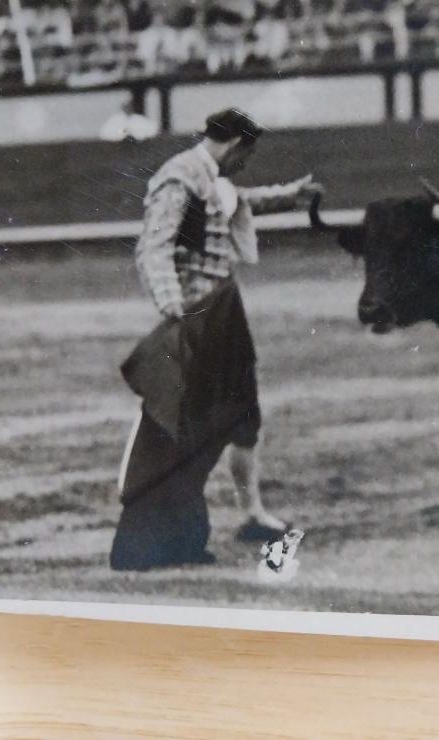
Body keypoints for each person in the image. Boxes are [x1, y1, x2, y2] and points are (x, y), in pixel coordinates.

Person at [110, 106, 322, 571]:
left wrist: (289, 196)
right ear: (237, 144)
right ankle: (165, 531)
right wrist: (173, 308)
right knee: (185, 423)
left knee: (241, 412)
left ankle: (248, 514)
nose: (246, 163)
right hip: (198, 317)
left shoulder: (208, 176)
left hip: (221, 309)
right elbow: (154, 248)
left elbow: (233, 202)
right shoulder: (179, 177)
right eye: (248, 153)